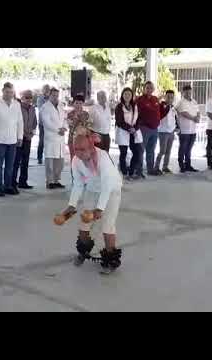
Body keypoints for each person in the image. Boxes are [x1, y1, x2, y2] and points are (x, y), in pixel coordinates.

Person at [59, 130, 123, 275]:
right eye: (76, 149)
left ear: (91, 148)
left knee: (107, 226)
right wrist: (71, 205)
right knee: (84, 225)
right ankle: (84, 252)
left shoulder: (103, 157)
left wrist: (99, 209)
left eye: (82, 149)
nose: (79, 153)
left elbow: (107, 185)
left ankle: (110, 261)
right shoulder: (76, 161)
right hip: (92, 190)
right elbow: (78, 184)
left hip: (112, 190)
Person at [0, 82, 23, 197]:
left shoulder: (16, 104)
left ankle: (8, 186)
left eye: (11, 92)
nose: (9, 94)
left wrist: (20, 137)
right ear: (3, 91)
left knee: (10, 166)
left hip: (12, 140)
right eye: (7, 92)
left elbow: (20, 121)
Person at [41, 87, 67, 190]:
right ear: (49, 95)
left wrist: (64, 127)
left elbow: (64, 119)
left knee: (59, 162)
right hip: (51, 137)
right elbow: (46, 123)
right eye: (53, 95)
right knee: (50, 161)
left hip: (60, 138)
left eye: (57, 95)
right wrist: (58, 130)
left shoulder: (60, 106)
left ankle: (56, 180)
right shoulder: (45, 107)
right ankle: (50, 181)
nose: (55, 97)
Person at [115, 87, 143, 180]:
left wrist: (134, 128)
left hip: (133, 132)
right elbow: (119, 121)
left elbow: (139, 119)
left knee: (137, 152)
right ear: (122, 95)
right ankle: (124, 173)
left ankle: (131, 172)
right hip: (123, 132)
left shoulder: (135, 105)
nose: (127, 96)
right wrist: (130, 129)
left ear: (132, 96)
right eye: (125, 94)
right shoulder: (119, 106)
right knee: (123, 153)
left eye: (129, 94)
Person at [12, 90, 37, 190]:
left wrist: (31, 134)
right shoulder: (17, 108)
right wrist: (23, 134)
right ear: (22, 98)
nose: (29, 99)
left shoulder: (32, 109)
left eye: (30, 97)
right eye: (26, 97)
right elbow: (16, 123)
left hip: (28, 138)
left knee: (25, 161)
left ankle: (23, 181)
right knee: (16, 161)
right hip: (19, 138)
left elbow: (35, 122)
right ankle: (12, 182)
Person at [137, 81, 161, 176]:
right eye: (147, 88)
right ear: (144, 89)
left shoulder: (155, 99)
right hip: (144, 128)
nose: (149, 89)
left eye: (151, 88)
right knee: (141, 150)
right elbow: (136, 113)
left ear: (153, 89)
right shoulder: (139, 99)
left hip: (155, 129)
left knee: (151, 150)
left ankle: (150, 169)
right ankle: (139, 170)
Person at [175, 85, 200, 173]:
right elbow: (184, 113)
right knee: (183, 148)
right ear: (183, 92)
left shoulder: (194, 101)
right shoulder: (181, 102)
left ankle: (188, 165)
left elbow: (198, 112)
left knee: (189, 149)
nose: (188, 94)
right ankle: (182, 165)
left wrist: (198, 118)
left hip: (193, 130)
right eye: (186, 92)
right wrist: (194, 118)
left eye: (190, 92)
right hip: (184, 129)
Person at [155, 90, 176, 174]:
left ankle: (165, 167)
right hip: (163, 131)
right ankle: (156, 166)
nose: (170, 98)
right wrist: (166, 106)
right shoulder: (161, 105)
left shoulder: (173, 107)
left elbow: (173, 119)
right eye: (168, 97)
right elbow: (160, 115)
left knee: (168, 151)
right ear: (165, 97)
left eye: (172, 97)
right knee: (162, 151)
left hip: (171, 132)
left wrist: (175, 128)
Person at [67, 94, 92, 160]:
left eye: (80, 103)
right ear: (73, 103)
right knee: (73, 159)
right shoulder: (70, 114)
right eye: (76, 103)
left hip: (83, 140)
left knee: (83, 160)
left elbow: (88, 127)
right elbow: (70, 126)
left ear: (83, 104)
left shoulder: (86, 114)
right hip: (72, 139)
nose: (78, 105)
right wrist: (75, 116)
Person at [37, 84, 51, 164]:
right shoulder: (40, 99)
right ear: (43, 90)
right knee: (42, 141)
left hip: (50, 124)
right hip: (42, 124)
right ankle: (39, 157)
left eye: (48, 90)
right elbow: (41, 109)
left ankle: (48, 157)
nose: (46, 91)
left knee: (49, 141)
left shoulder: (51, 99)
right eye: (45, 89)